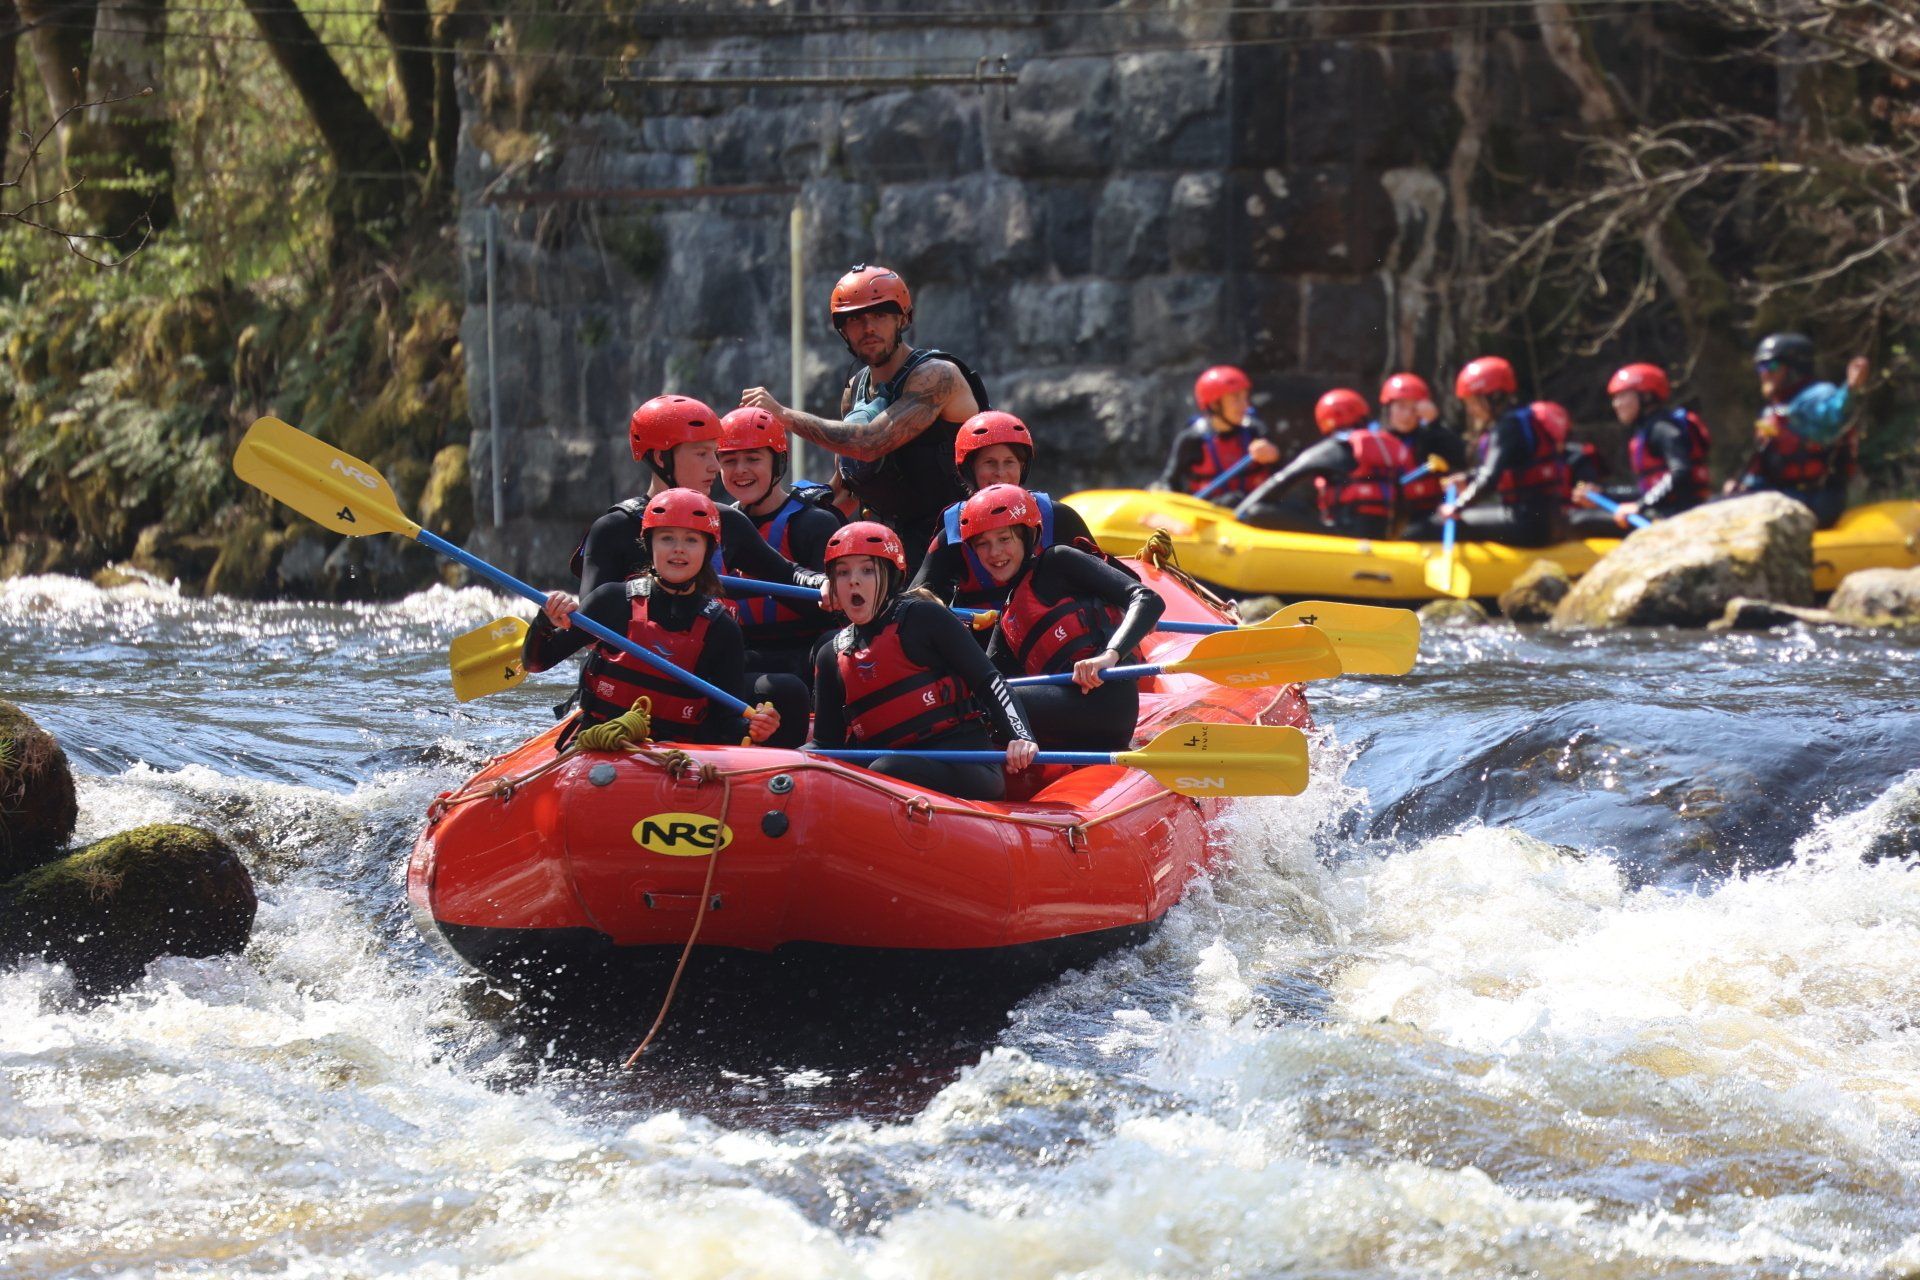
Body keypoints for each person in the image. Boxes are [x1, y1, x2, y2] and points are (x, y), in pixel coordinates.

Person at [739, 264, 989, 571]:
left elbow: (869, 443)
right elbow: (848, 484)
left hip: (958, 538)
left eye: (880, 315)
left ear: (903, 319)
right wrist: (779, 527)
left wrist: (783, 415)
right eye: (855, 319)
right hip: (893, 542)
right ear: (843, 331)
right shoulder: (855, 389)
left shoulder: (937, 376)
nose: (868, 328)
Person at [524, 489, 783, 749]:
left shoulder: (721, 630)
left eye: (692, 540)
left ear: (708, 550)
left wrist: (753, 728)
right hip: (600, 742)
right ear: (649, 545)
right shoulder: (611, 602)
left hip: (676, 756)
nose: (679, 549)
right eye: (667, 538)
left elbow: (725, 724)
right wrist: (544, 622)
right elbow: (536, 662)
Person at [808, 521, 1038, 801]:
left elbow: (989, 682)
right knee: (844, 769)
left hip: (966, 766)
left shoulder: (924, 618)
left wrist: (1021, 736)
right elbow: (825, 745)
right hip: (884, 770)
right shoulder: (831, 654)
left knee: (886, 768)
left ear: (891, 577)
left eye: (867, 570)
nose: (853, 580)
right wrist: (774, 761)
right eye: (843, 573)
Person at [959, 485, 1165, 752]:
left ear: (1027, 535)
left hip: (1108, 701)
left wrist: (1108, 656)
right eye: (983, 544)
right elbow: (989, 680)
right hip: (1069, 717)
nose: (994, 552)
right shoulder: (1008, 617)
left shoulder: (1058, 562)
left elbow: (1148, 600)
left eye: (1004, 539)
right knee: (979, 700)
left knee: (989, 702)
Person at [573, 395, 827, 601]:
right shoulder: (613, 529)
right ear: (662, 458)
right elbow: (588, 626)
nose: (716, 467)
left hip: (708, 662)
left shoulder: (727, 520)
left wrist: (824, 582)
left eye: (714, 454)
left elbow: (787, 574)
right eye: (701, 454)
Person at [910, 410, 1103, 612]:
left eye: (1009, 462)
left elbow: (1109, 580)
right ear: (969, 470)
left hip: (1055, 637)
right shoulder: (955, 532)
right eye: (989, 463)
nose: (1000, 473)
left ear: (1022, 467)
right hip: (979, 642)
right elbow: (916, 601)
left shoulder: (1058, 516)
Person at [716, 406, 842, 679]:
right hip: (739, 656)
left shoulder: (815, 523)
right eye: (729, 461)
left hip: (805, 659)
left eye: (753, 458)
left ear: (778, 463)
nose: (740, 470)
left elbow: (835, 614)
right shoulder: (714, 524)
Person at [1724, 333, 1870, 529]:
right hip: (1784, 494)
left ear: (1795, 369)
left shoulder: (1817, 395)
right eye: (1761, 367)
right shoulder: (1772, 410)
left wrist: (1850, 390)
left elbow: (1832, 415)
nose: (1764, 373)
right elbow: (1765, 463)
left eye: (1772, 366)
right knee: (1720, 503)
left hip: (1819, 498)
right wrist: (1745, 486)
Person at [1233, 388, 1413, 538]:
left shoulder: (1336, 447)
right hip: (1381, 539)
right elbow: (1402, 506)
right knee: (1300, 505)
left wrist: (1238, 514)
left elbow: (1280, 481)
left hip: (1344, 537)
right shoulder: (1386, 448)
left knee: (1258, 512)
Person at [1436, 356, 1570, 546]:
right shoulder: (1523, 419)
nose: (1471, 410)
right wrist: (1467, 478)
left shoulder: (1506, 428)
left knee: (1437, 523)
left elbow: (1489, 479)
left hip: (1527, 524)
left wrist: (1456, 506)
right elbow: (1507, 467)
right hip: (1549, 520)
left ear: (1493, 397)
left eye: (1473, 402)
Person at [1573, 363, 1714, 530]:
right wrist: (1602, 493)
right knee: (1581, 517)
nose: (1616, 404)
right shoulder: (1649, 429)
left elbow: (1681, 472)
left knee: (1579, 522)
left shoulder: (1662, 429)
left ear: (1646, 397)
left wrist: (1641, 505)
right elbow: (1649, 490)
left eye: (1622, 396)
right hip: (1665, 510)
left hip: (1675, 515)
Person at [1157, 365, 1284, 502]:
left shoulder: (1255, 430)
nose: (1246, 406)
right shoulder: (1193, 439)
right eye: (1236, 399)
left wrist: (1275, 456)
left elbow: (1283, 473)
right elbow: (1169, 483)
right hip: (1210, 513)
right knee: (1230, 500)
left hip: (1252, 512)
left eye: (1245, 397)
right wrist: (1161, 491)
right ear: (1214, 405)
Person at [1378, 372, 1467, 538]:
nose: (1406, 415)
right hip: (1389, 513)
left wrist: (1434, 422)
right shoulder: (1376, 441)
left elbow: (1460, 454)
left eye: (1413, 409)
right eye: (1401, 407)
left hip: (1426, 513)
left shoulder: (1431, 437)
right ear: (1389, 408)